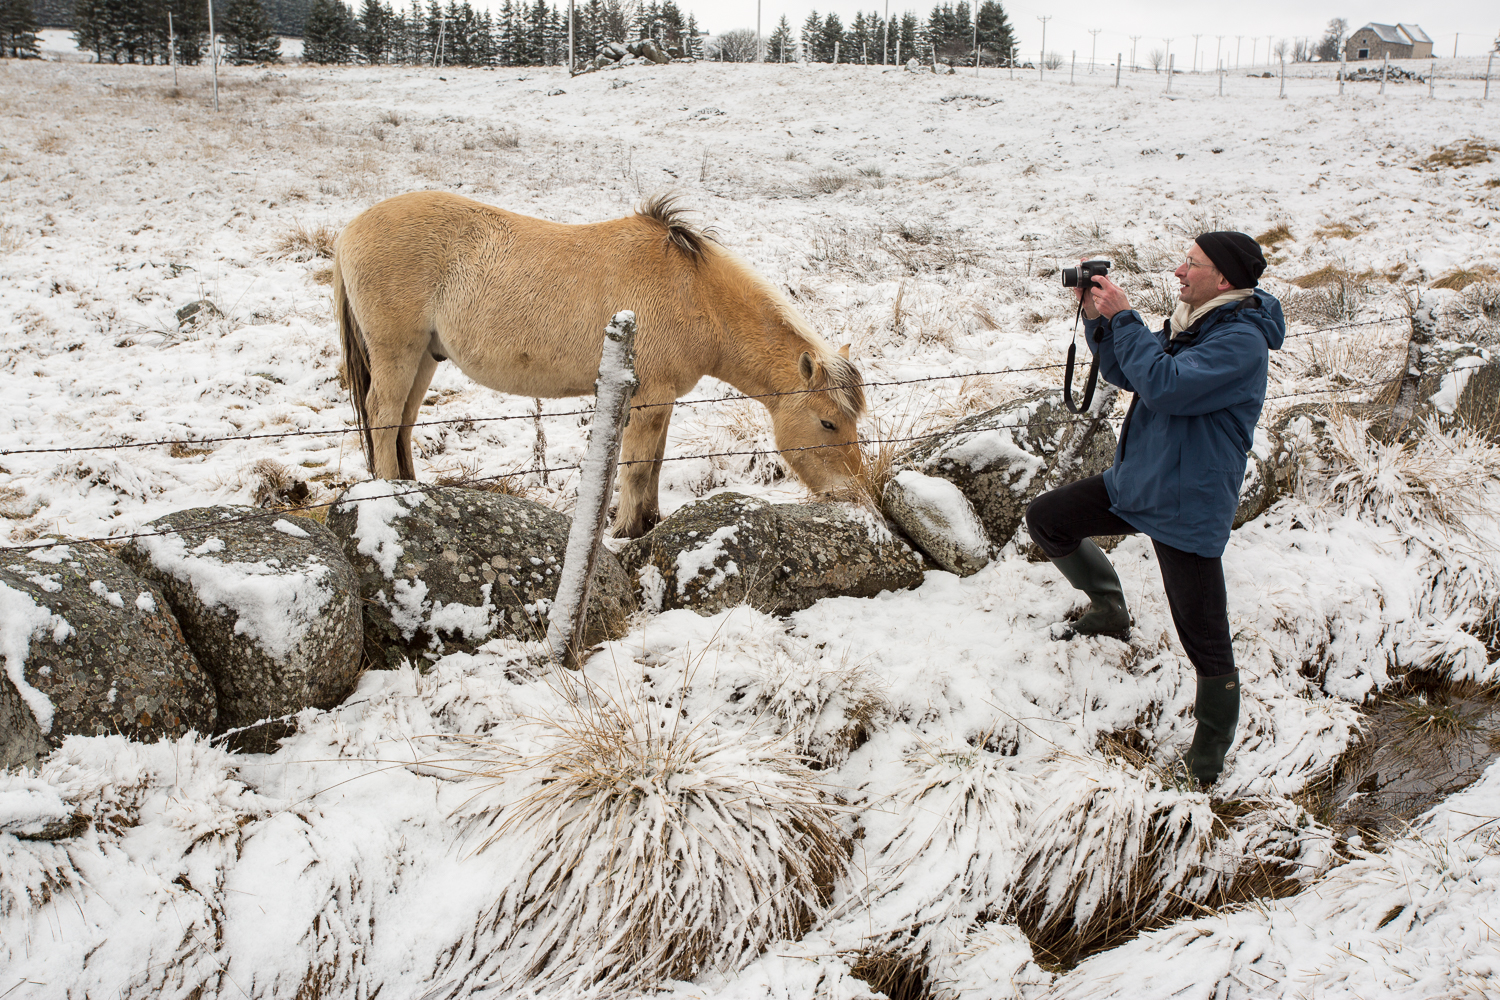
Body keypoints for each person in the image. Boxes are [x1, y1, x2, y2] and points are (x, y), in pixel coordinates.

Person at [1024, 232, 1286, 788]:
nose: (1177, 271)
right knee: (1048, 519)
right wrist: (1098, 320)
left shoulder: (1240, 341)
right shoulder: (1195, 321)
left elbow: (1166, 387)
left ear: (1223, 279)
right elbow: (1131, 375)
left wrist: (1126, 318)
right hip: (1140, 482)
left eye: (1190, 264)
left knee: (1206, 642)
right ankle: (1108, 607)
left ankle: (1207, 758)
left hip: (1187, 505)